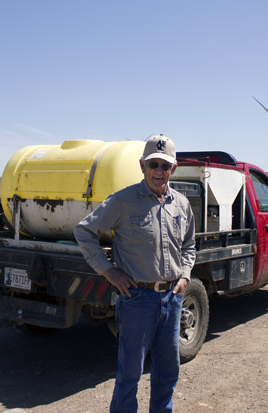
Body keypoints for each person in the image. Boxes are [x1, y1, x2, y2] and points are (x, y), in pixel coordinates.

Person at [74, 135, 196, 412]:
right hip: (137, 299)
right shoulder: (123, 201)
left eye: (165, 166)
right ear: (142, 166)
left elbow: (189, 244)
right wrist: (108, 271)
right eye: (153, 164)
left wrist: (186, 275)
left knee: (168, 372)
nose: (159, 171)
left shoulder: (181, 204)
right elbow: (84, 232)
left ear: (173, 169)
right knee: (130, 373)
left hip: (172, 299)